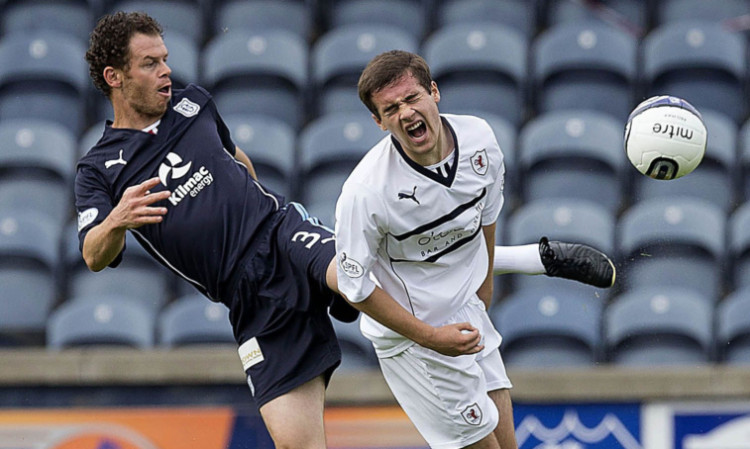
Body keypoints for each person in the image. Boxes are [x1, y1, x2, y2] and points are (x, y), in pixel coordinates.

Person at [76, 12, 524, 449]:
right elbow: (94, 254)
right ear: (115, 77)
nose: (166, 70)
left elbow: (237, 160)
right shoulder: (98, 169)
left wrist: (249, 202)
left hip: (282, 233)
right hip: (246, 295)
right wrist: (118, 218)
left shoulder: (193, 103)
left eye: (165, 57)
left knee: (356, 279)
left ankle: (502, 277)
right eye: (150, 63)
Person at [334, 50, 615, 449]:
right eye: (391, 108)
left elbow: (486, 218)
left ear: (434, 92)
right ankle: (533, 259)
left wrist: (481, 296)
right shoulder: (366, 191)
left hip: (465, 309)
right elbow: (354, 288)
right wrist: (431, 337)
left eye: (412, 98)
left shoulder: (480, 138)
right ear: (378, 121)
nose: (406, 113)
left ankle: (531, 259)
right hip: (415, 339)